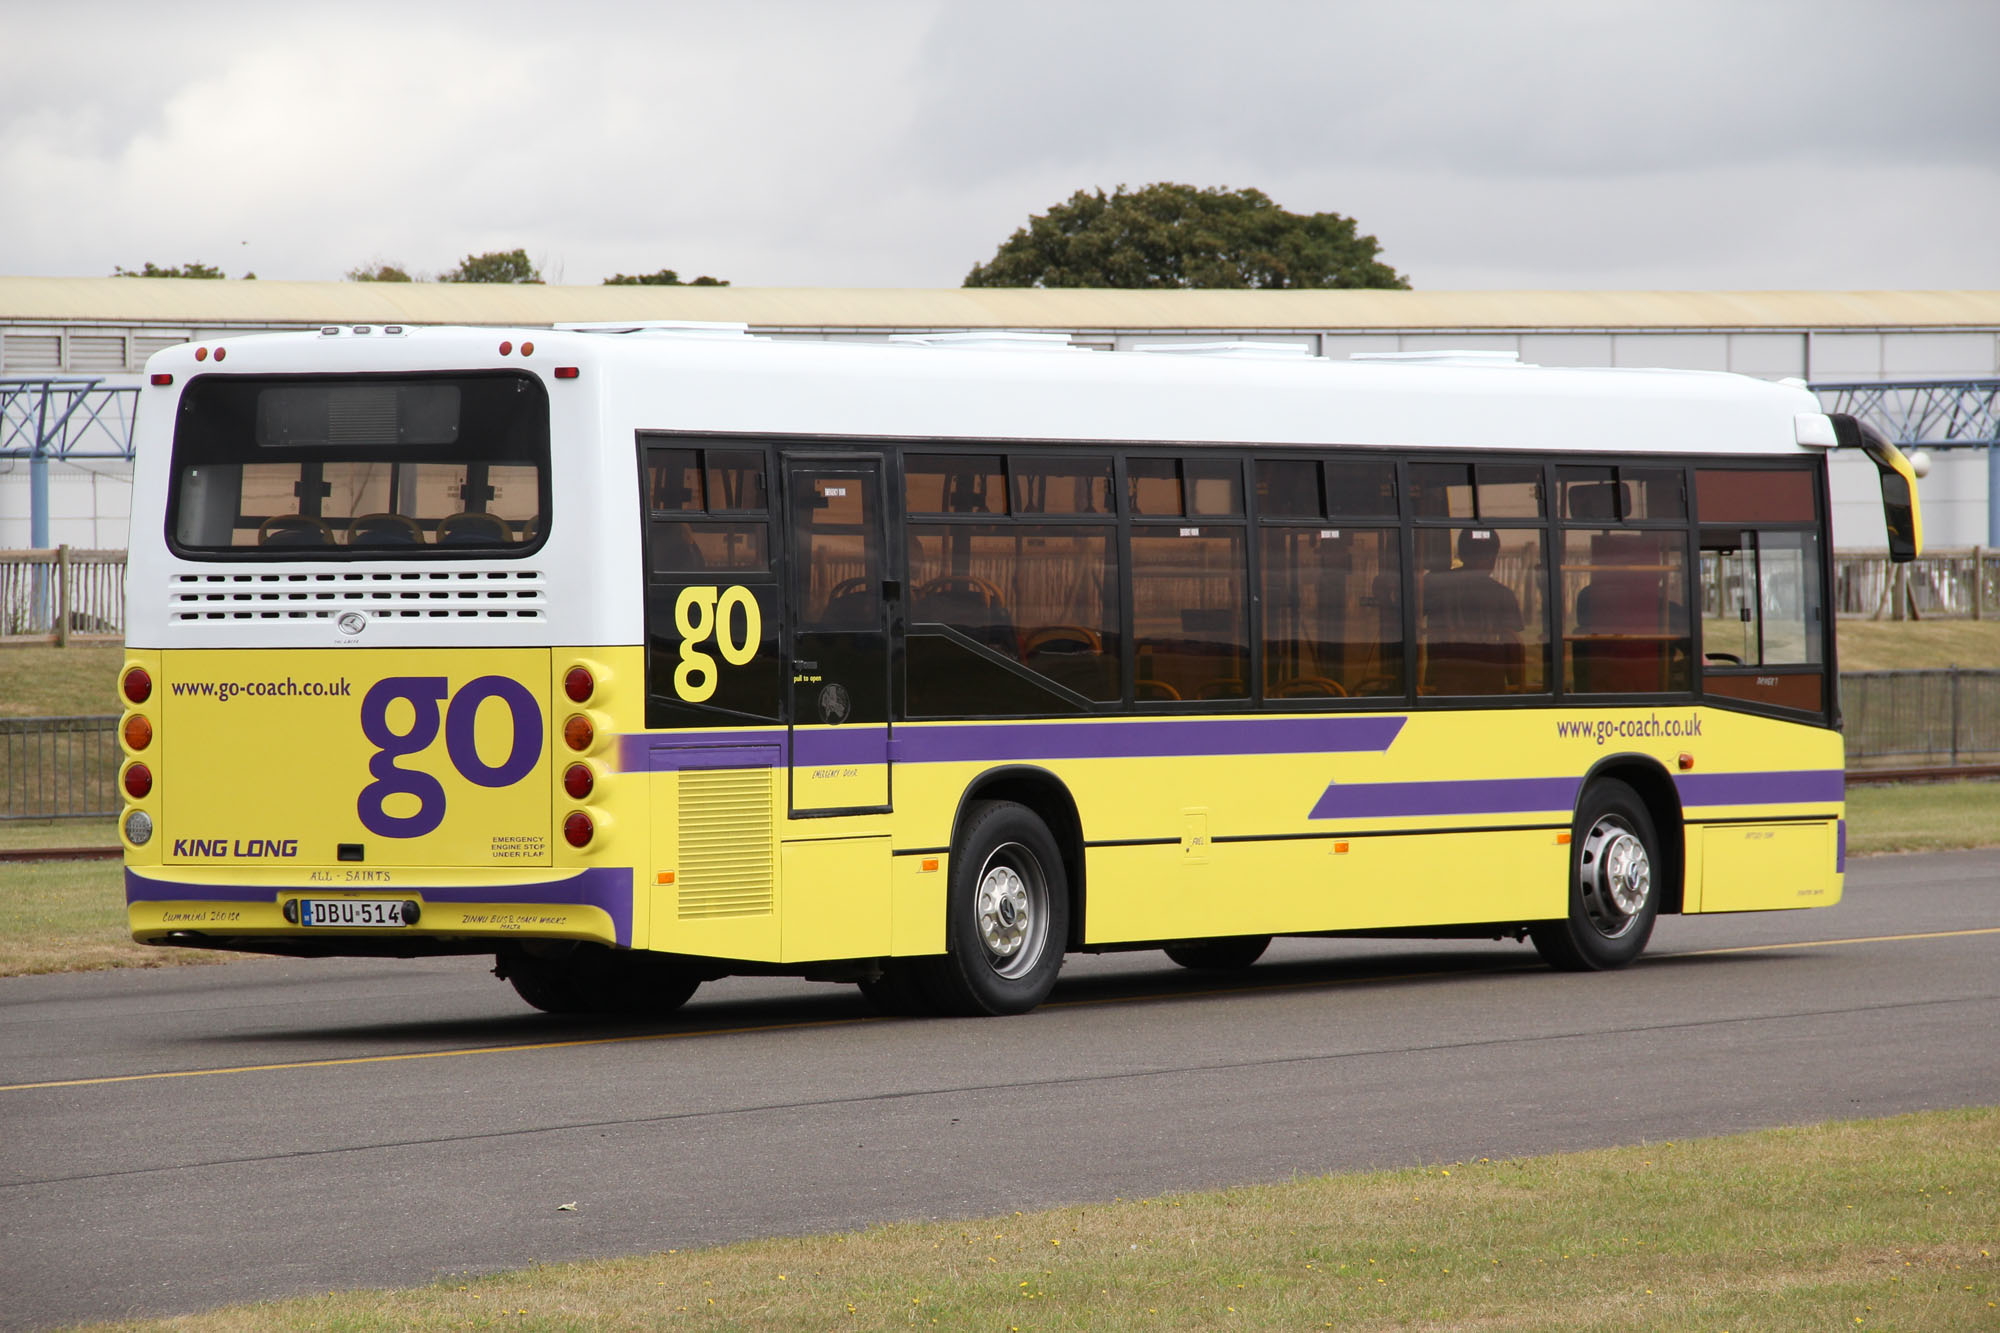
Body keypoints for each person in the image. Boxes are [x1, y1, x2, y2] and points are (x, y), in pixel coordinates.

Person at [1424, 528, 1524, 694]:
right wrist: (1517, 687)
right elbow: (1513, 646)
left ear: (1461, 554)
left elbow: (1407, 617)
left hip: (1443, 675)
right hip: (1489, 677)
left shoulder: (1434, 585)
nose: (1489, 560)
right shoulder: (1502, 594)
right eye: (1487, 555)